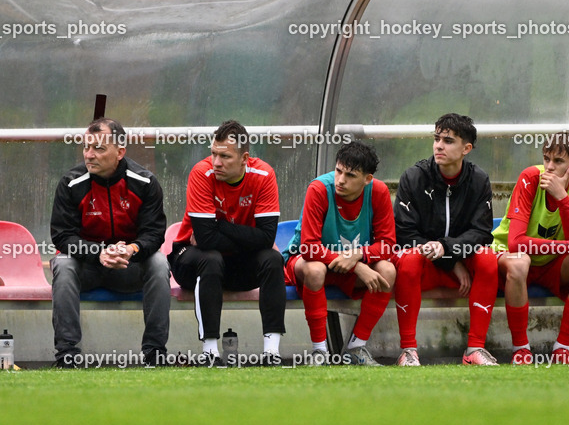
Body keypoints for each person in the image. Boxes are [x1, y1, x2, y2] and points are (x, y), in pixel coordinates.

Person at [50, 118, 171, 368]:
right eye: (86, 147)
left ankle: (155, 353)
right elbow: (62, 236)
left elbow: (154, 233)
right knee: (63, 264)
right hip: (88, 267)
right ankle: (67, 355)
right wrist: (98, 253)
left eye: (99, 149)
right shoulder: (70, 183)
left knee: (159, 263)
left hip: (130, 267)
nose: (89, 155)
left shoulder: (145, 182)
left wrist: (131, 249)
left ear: (120, 152)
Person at [169, 120, 286, 365]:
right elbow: (204, 239)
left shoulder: (264, 175)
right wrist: (246, 238)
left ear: (244, 158)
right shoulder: (202, 173)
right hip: (189, 260)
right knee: (210, 258)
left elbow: (267, 238)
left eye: (225, 156)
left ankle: (272, 353)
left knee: (273, 259)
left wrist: (219, 225)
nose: (216, 162)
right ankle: (210, 353)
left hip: (237, 266)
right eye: (213, 153)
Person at [394, 113, 499, 366]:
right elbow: (405, 233)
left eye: (448, 141)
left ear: (466, 148)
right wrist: (451, 261)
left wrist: (447, 248)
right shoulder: (413, 177)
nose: (439, 145)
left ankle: (475, 349)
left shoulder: (478, 180)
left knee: (487, 259)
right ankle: (408, 350)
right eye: (437, 139)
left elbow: (482, 233)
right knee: (408, 258)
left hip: (464, 272)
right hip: (429, 267)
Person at [283, 141, 397, 366]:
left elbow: (388, 245)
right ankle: (320, 352)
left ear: (367, 179)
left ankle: (356, 348)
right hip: (309, 262)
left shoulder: (379, 192)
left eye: (351, 175)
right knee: (315, 271)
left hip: (347, 266)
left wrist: (359, 256)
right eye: (338, 171)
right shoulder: (318, 189)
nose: (341, 180)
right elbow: (308, 247)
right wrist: (358, 265)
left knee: (388, 270)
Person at [492, 132, 569, 365]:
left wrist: (562, 198)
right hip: (511, 256)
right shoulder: (530, 177)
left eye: (558, 161)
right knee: (520, 262)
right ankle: (521, 349)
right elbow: (515, 244)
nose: (549, 167)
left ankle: (562, 349)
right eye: (546, 158)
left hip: (552, 261)